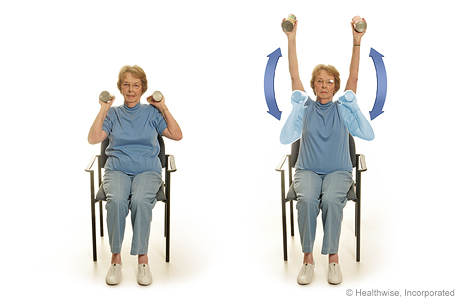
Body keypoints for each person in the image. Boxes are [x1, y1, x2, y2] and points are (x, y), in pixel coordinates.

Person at [280, 17, 374, 285]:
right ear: (313, 85)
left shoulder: (343, 108)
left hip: (339, 172)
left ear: (335, 86)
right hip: (308, 170)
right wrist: (291, 39)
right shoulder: (305, 107)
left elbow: (354, 76)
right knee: (307, 200)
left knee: (333, 201)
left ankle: (333, 259)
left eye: (329, 81)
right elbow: (293, 74)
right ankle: (308, 259)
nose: (323, 85)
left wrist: (357, 41)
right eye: (319, 81)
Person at [88, 65, 182, 286]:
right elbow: (93, 139)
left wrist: (163, 107)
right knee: (117, 201)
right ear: (120, 88)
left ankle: (142, 260)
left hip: (147, 170)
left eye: (136, 85)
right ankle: (115, 259)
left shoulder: (151, 113)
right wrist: (103, 108)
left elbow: (177, 135)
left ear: (143, 88)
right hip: (117, 170)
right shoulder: (113, 114)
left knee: (140, 201)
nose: (131, 90)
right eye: (126, 85)